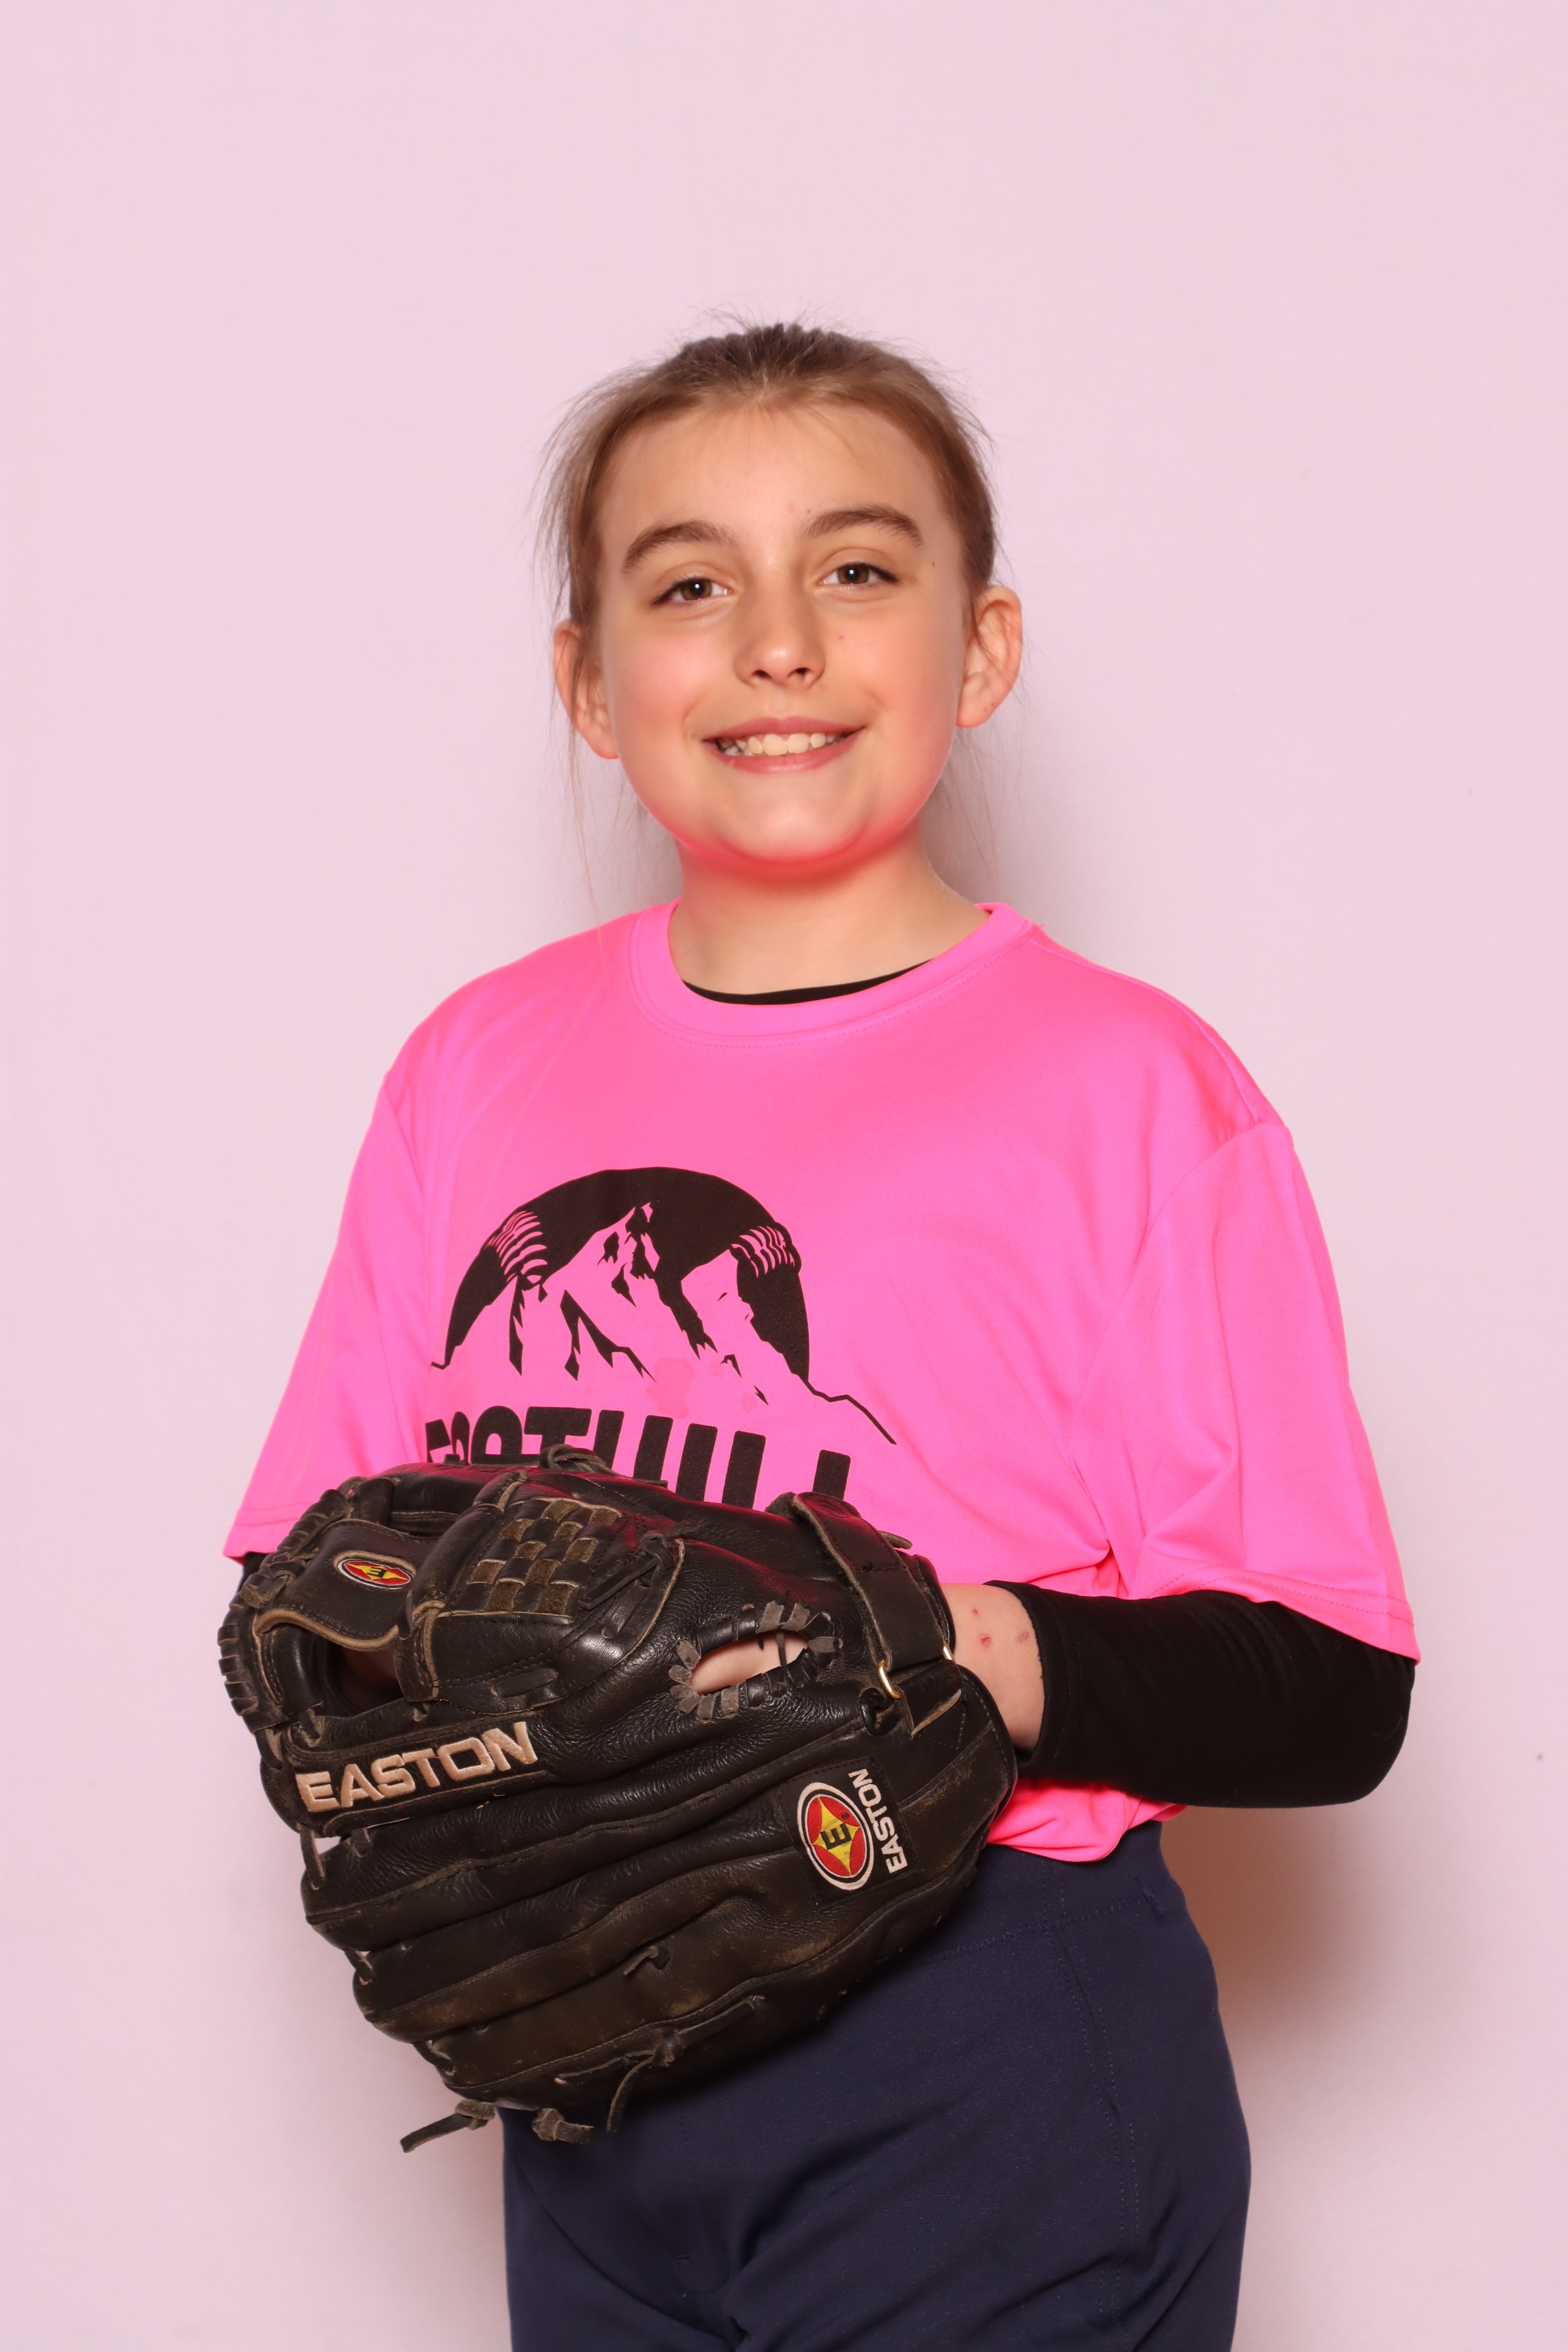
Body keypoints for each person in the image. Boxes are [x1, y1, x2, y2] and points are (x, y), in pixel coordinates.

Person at [227, 322, 1418, 2350]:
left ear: (979, 648)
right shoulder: (474, 1068)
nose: (777, 642)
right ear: (590, 681)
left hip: (981, 2045)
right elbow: (313, 1567)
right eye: (690, 583)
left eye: (856, 569)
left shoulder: (1130, 1091)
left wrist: (943, 1642)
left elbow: (1332, 1686)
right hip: (588, 2042)